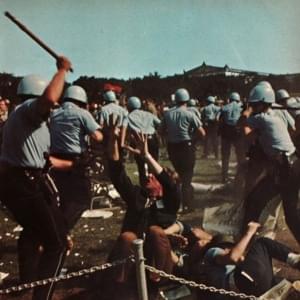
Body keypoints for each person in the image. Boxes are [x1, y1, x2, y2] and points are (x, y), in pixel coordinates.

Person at [0, 56, 72, 300]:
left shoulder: (20, 117)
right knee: (57, 245)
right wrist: (62, 70)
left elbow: (40, 159)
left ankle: (29, 285)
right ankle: (41, 297)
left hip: (28, 181)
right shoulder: (29, 110)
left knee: (44, 235)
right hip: (26, 184)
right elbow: (50, 98)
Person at [97, 115, 182, 300]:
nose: (149, 177)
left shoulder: (170, 203)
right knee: (128, 236)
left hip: (159, 265)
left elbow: (171, 185)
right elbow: (117, 173)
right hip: (129, 262)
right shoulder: (137, 196)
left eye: (154, 177)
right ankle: (119, 287)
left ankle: (155, 286)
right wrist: (112, 140)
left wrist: (147, 156)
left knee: (156, 231)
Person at [240, 83, 300, 244]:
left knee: (254, 201)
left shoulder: (260, 118)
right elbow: (292, 130)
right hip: (292, 163)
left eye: (254, 104)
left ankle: (245, 242)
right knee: (291, 213)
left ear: (262, 103)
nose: (252, 107)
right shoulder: (275, 115)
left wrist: (245, 114)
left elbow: (246, 134)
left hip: (284, 169)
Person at [190, 222, 300, 298]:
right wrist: (250, 232)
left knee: (282, 283)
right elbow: (234, 257)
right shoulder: (213, 252)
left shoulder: (213, 274)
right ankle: (294, 259)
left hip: (253, 289)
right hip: (241, 282)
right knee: (262, 243)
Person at [49, 85, 103, 233]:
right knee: (82, 199)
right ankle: (59, 231)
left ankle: (58, 229)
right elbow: (97, 137)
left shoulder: (54, 114)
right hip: (76, 161)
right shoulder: (82, 113)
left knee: (64, 197)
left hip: (56, 159)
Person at [162, 88, 205, 210]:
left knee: (178, 175)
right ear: (187, 99)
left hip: (172, 147)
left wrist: (171, 136)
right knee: (187, 177)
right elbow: (202, 132)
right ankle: (187, 204)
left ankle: (177, 202)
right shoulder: (189, 114)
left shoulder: (168, 114)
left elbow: (160, 131)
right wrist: (192, 138)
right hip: (186, 146)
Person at [122, 96, 161, 186]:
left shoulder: (128, 117)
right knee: (154, 164)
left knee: (141, 167)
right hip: (152, 139)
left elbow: (124, 132)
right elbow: (161, 125)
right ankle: (156, 187)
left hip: (138, 141)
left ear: (128, 106)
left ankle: (145, 189)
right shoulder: (148, 114)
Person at [219, 92, 245, 183]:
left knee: (225, 156)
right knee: (240, 155)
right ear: (238, 99)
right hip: (237, 132)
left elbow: (220, 121)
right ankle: (240, 176)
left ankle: (224, 176)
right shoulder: (241, 107)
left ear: (230, 99)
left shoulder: (224, 108)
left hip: (226, 132)